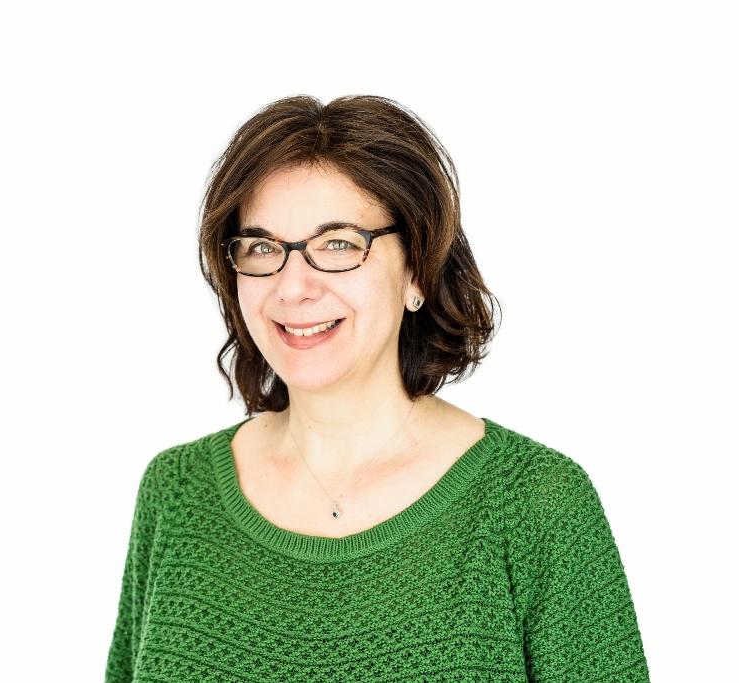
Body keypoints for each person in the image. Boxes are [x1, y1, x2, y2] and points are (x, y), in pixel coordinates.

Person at [105, 95, 650, 682]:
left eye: (338, 244)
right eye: (262, 248)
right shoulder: (175, 491)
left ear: (416, 269)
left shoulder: (536, 502)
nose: (293, 287)